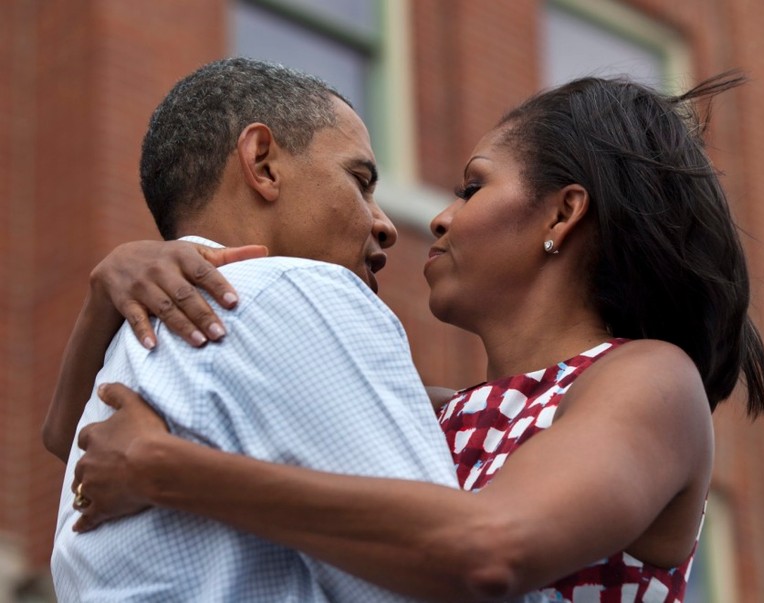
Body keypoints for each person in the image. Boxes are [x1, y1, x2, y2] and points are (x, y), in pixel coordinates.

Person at [51, 71, 764, 602]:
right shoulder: (442, 414)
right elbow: (73, 437)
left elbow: (490, 547)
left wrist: (168, 471)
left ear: (562, 215)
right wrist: (111, 283)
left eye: (471, 187)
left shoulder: (650, 380)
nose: (432, 218)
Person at [45, 57, 462, 602]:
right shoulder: (300, 288)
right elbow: (445, 574)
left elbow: (59, 437)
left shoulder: (130, 347)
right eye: (359, 181)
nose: (384, 224)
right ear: (262, 163)